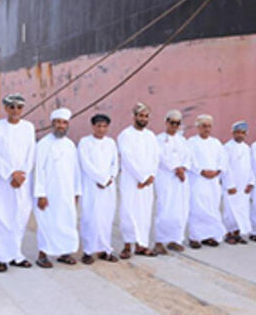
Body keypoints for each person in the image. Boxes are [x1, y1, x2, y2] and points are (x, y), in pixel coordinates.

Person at [0, 93, 36, 272]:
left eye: (19, 107)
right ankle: (2, 256)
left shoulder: (28, 127)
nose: (15, 110)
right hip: (3, 180)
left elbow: (31, 152)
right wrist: (10, 174)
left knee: (20, 216)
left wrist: (22, 174)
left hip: (23, 180)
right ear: (6, 108)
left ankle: (17, 255)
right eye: (12, 107)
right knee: (3, 216)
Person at [33, 108, 82, 268]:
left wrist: (76, 192)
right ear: (52, 124)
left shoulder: (70, 145)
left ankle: (65, 253)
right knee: (47, 223)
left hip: (67, 192)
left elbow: (76, 171)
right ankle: (43, 254)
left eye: (64, 122)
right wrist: (40, 194)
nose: (61, 125)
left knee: (67, 221)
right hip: (49, 192)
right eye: (58, 122)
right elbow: (38, 170)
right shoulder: (43, 144)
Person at [118, 102, 160, 259]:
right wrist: (141, 177)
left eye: (146, 116)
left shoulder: (151, 136)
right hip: (131, 181)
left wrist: (150, 176)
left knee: (144, 213)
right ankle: (127, 246)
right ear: (134, 116)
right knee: (128, 212)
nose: (143, 119)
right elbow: (127, 158)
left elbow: (156, 157)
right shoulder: (125, 135)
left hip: (147, 183)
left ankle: (142, 246)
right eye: (141, 115)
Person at [78, 114, 119, 264]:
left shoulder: (111, 143)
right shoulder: (85, 142)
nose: (101, 129)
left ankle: (104, 250)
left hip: (108, 187)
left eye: (104, 126)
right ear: (93, 126)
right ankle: (88, 251)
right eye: (98, 126)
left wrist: (110, 178)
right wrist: (100, 179)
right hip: (91, 186)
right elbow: (86, 164)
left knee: (106, 219)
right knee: (90, 218)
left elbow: (115, 163)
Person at [153, 110, 193, 254]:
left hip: (181, 180)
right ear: (166, 122)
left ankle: (175, 239)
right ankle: (159, 241)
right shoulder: (159, 139)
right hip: (166, 178)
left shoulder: (183, 140)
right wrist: (176, 168)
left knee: (180, 210)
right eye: (172, 122)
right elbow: (160, 157)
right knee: (165, 209)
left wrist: (183, 168)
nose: (174, 125)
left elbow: (188, 157)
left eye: (177, 123)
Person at [187, 114, 229, 248]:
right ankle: (195, 237)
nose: (207, 129)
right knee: (197, 208)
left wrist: (217, 171)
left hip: (213, 182)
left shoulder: (216, 143)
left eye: (209, 126)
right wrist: (201, 171)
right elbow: (189, 160)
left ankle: (209, 235)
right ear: (198, 127)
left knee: (212, 208)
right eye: (204, 126)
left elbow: (223, 160)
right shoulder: (191, 142)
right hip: (198, 180)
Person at [222, 121, 254, 245]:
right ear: (233, 133)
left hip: (244, 186)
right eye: (238, 132)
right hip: (232, 186)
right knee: (230, 211)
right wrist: (230, 184)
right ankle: (229, 233)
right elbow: (226, 167)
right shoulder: (227, 147)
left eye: (243, 133)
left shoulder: (247, 148)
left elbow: (251, 166)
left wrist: (251, 182)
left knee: (242, 210)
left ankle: (238, 233)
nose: (240, 135)